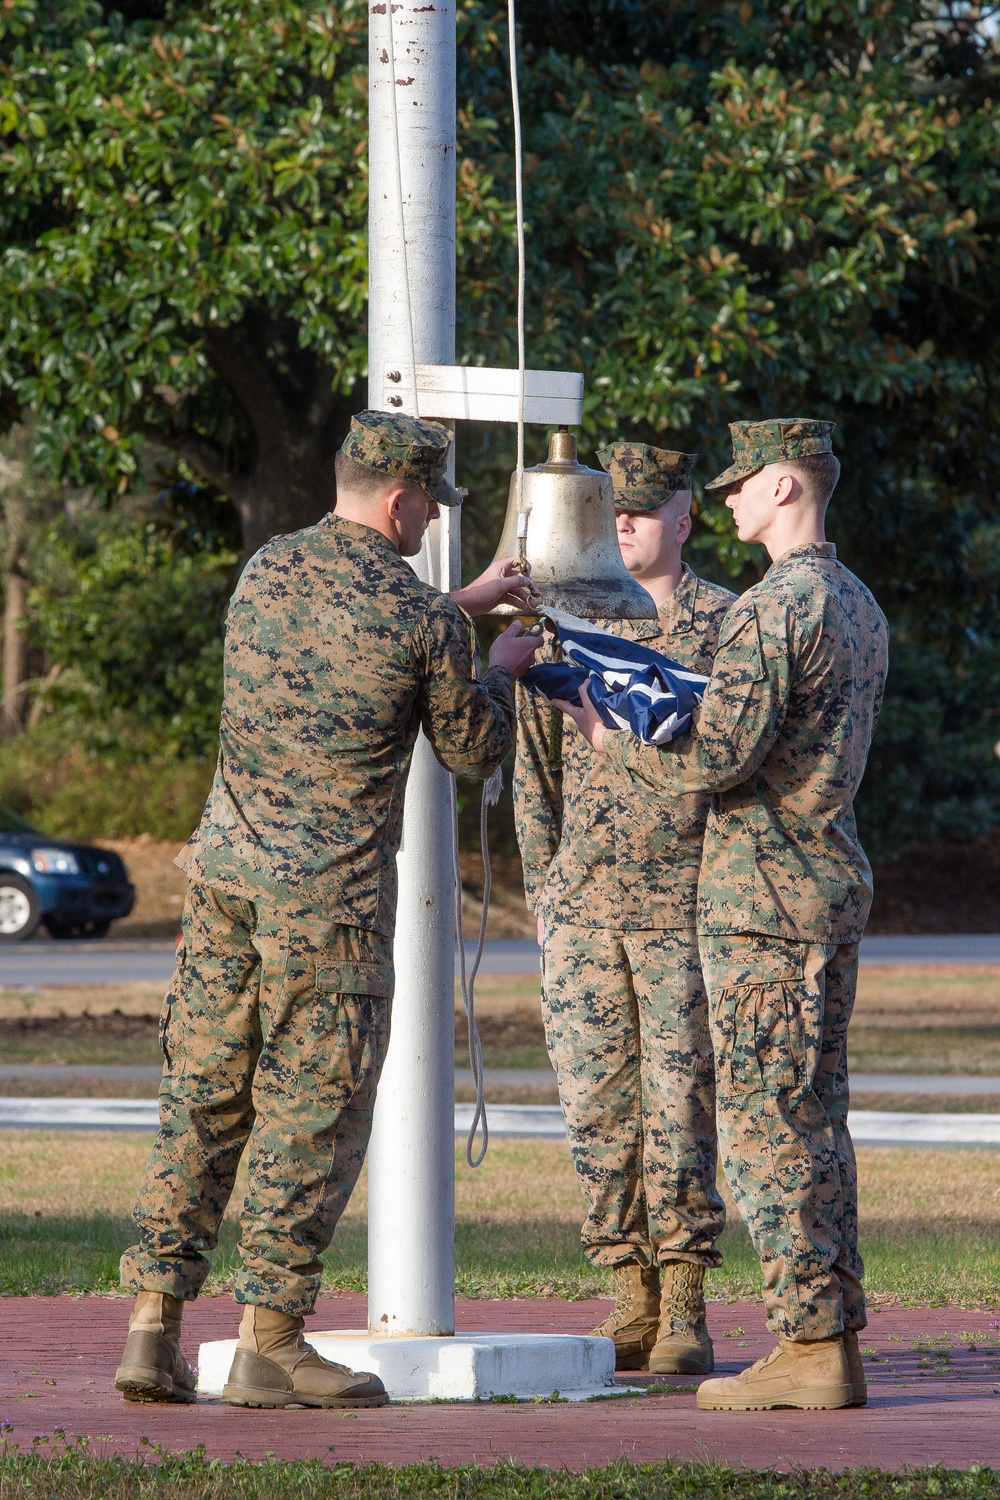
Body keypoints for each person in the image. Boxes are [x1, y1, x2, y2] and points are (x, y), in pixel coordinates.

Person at [115, 411, 539, 1411]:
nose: (432, 515)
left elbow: (350, 634)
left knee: (202, 1105)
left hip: (223, 883)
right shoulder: (422, 619)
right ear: (400, 499)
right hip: (330, 908)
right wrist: (501, 668)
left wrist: (457, 603)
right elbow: (472, 747)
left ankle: (151, 1330)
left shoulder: (265, 570)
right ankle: (270, 1339)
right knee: (308, 1118)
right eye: (430, 501)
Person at [556, 419, 888, 1412]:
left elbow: (717, 754)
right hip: (821, 884)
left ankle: (809, 1344)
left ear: (784, 487)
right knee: (814, 1120)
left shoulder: (771, 605)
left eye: (745, 482)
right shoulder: (856, 601)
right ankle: (828, 1331)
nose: (730, 497)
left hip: (763, 902)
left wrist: (610, 727)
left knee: (765, 1128)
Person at [514, 443, 736, 1374]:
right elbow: (534, 771)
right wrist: (545, 890)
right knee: (596, 1103)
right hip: (584, 906)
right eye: (613, 512)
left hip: (682, 903)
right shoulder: (567, 618)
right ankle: (628, 1289)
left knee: (681, 1101)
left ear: (684, 519)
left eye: (643, 512)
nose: (625, 527)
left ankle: (685, 1296)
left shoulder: (729, 626)